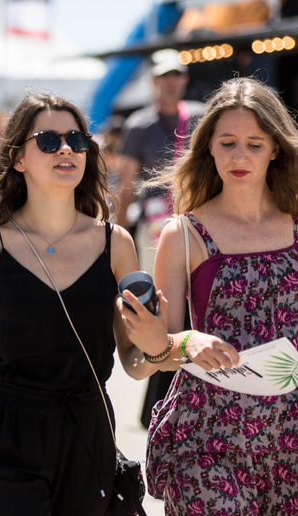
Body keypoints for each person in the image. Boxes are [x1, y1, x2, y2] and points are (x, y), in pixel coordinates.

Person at [120, 77, 298, 516]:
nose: (239, 156)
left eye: (254, 144)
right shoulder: (182, 234)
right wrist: (183, 340)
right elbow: (157, 354)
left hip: (294, 430)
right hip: (208, 434)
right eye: (227, 143)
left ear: (276, 149)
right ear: (208, 146)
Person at [0, 92, 146, 516]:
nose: (66, 150)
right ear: (17, 158)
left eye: (76, 139)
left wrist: (166, 347)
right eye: (49, 140)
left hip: (87, 434)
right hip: (2, 438)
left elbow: (134, 362)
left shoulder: (116, 244)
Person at [114, 48, 205, 427]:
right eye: (164, 76)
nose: (171, 81)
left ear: (184, 79)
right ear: (153, 82)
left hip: (196, 227)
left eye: (177, 75)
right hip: (154, 231)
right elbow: (126, 183)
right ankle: (163, 390)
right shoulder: (139, 125)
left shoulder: (199, 116)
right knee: (164, 306)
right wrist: (117, 235)